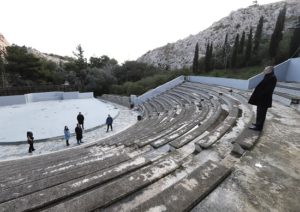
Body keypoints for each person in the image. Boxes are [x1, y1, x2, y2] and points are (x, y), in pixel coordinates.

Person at [248, 66, 277, 131]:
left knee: (262, 113)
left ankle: (259, 127)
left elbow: (268, 89)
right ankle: (257, 124)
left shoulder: (272, 78)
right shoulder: (268, 76)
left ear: (270, 70)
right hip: (261, 99)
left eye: (265, 69)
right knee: (259, 112)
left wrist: (260, 95)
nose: (264, 70)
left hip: (264, 99)